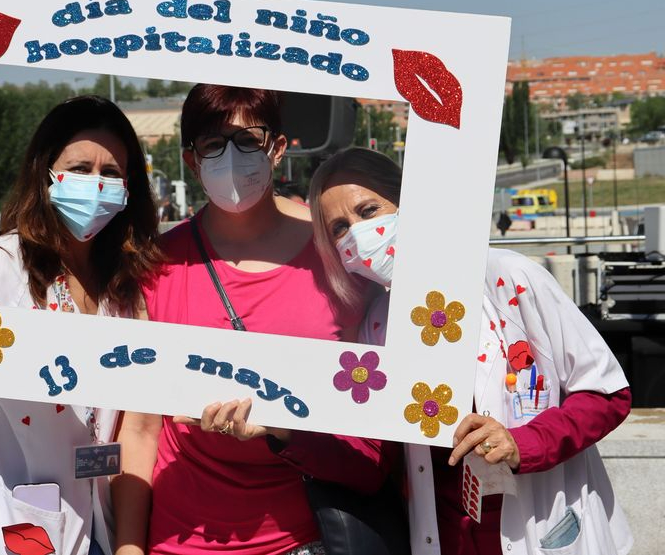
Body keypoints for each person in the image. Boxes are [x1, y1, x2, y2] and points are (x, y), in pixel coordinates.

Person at [309, 147, 633, 555]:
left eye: (369, 211)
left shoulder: (508, 279)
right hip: (447, 538)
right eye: (339, 227)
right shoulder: (377, 324)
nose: (356, 233)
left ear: (408, 203)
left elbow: (607, 394)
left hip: (540, 527)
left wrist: (523, 443)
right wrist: (281, 430)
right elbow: (381, 456)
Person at [119, 84, 393, 555]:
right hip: (178, 539)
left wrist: (283, 426)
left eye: (248, 141)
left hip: (308, 538)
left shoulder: (338, 249)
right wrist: (128, 547)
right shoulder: (157, 264)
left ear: (278, 148)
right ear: (191, 161)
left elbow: (371, 432)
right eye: (213, 144)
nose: (232, 156)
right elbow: (141, 427)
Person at [0, 96, 162, 555]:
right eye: (80, 168)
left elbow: (133, 424)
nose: (96, 184)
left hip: (95, 528)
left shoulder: (124, 289)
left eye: (112, 173)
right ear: (45, 173)